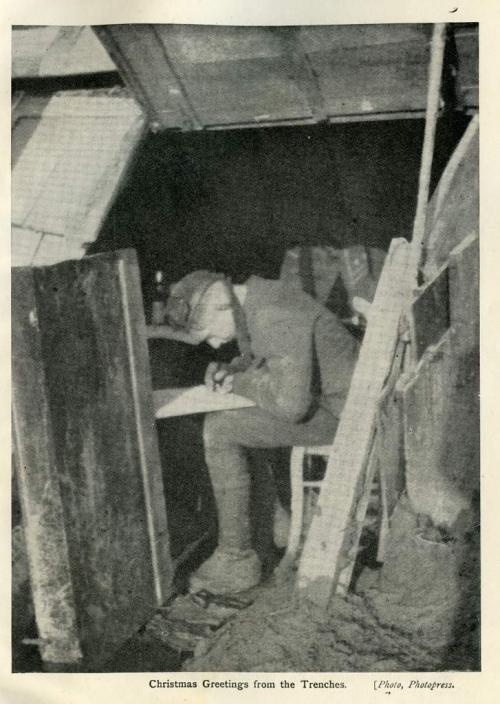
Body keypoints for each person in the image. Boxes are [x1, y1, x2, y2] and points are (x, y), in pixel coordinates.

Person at [165, 270, 359, 595]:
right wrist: (233, 369)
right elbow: (265, 357)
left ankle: (236, 560)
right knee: (235, 420)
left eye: (211, 334)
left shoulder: (273, 315)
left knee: (221, 428)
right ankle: (274, 522)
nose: (215, 344)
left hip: (346, 416)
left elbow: (289, 405)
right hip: (335, 401)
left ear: (223, 307)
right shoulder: (259, 297)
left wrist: (238, 383)